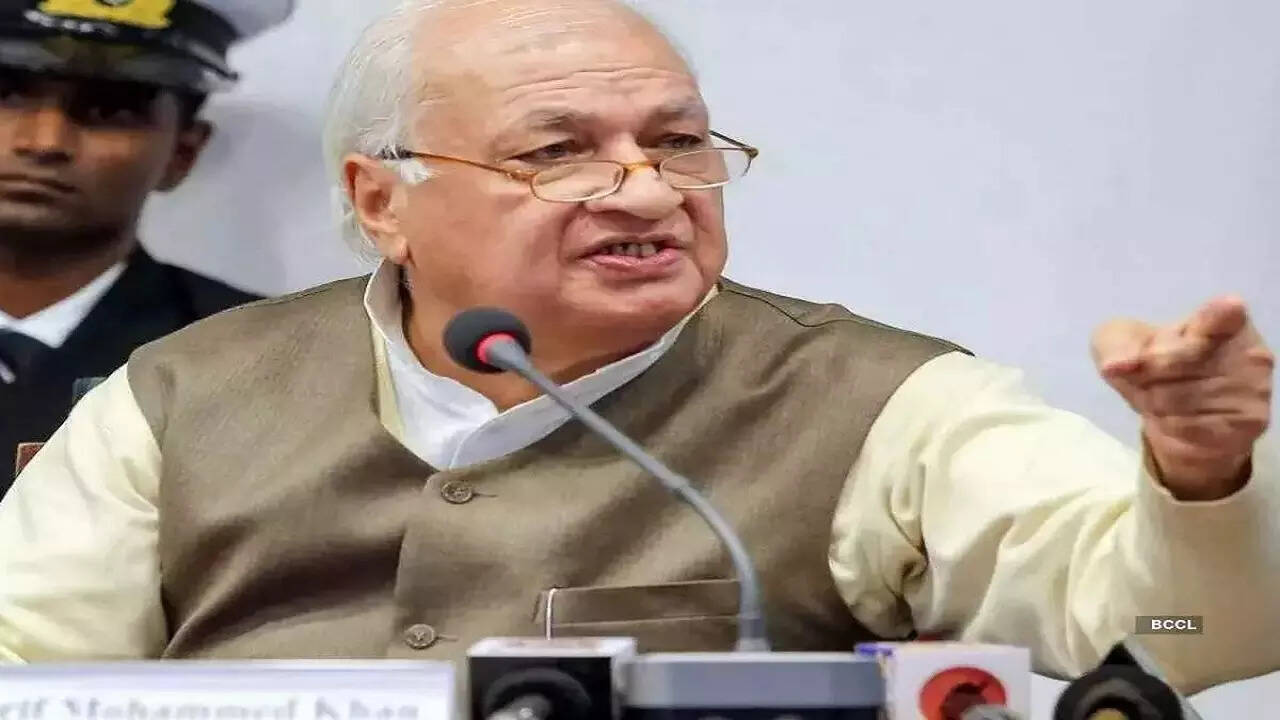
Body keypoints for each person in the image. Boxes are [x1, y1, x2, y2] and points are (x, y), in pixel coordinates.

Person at [1, 0, 1276, 698]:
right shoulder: (181, 393)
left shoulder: (886, 405)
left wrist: (1204, 475)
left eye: (676, 142)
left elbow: (1170, 631)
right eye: (557, 151)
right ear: (382, 199)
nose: (648, 190)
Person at [0, 0, 294, 489]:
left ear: (183, 152)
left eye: (108, 109)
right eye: (6, 93)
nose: (44, 141)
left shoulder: (265, 358)